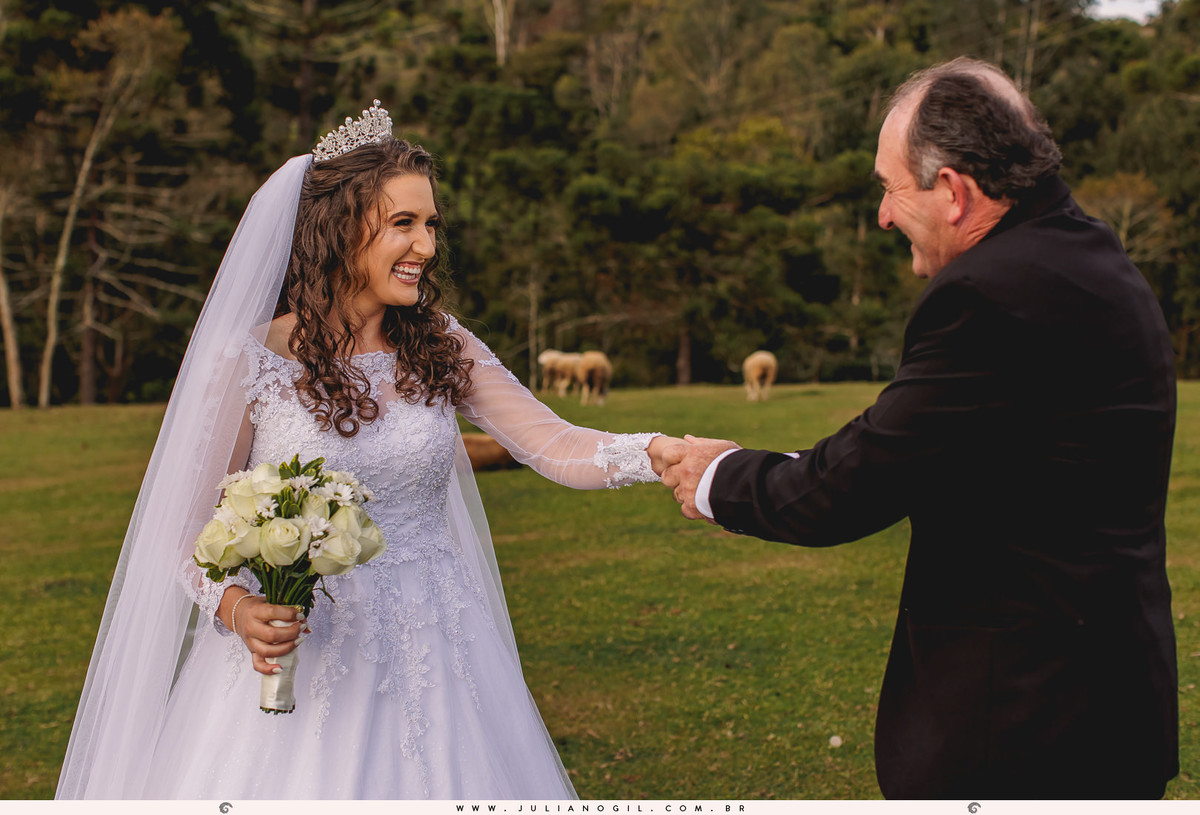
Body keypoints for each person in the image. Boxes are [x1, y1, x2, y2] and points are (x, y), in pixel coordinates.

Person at [57, 101, 676, 799]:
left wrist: (658, 453)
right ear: (340, 228)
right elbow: (179, 528)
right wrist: (235, 607)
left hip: (444, 656)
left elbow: (555, 444)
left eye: (431, 224)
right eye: (404, 223)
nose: (427, 246)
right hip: (301, 661)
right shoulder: (253, 361)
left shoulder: (442, 344)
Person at [660, 58, 1179, 799]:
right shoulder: (1095, 258)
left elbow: (859, 480)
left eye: (888, 188)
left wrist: (719, 478)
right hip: (1110, 709)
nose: (881, 215)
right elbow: (936, 450)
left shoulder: (986, 294)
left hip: (1017, 732)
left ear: (953, 194)